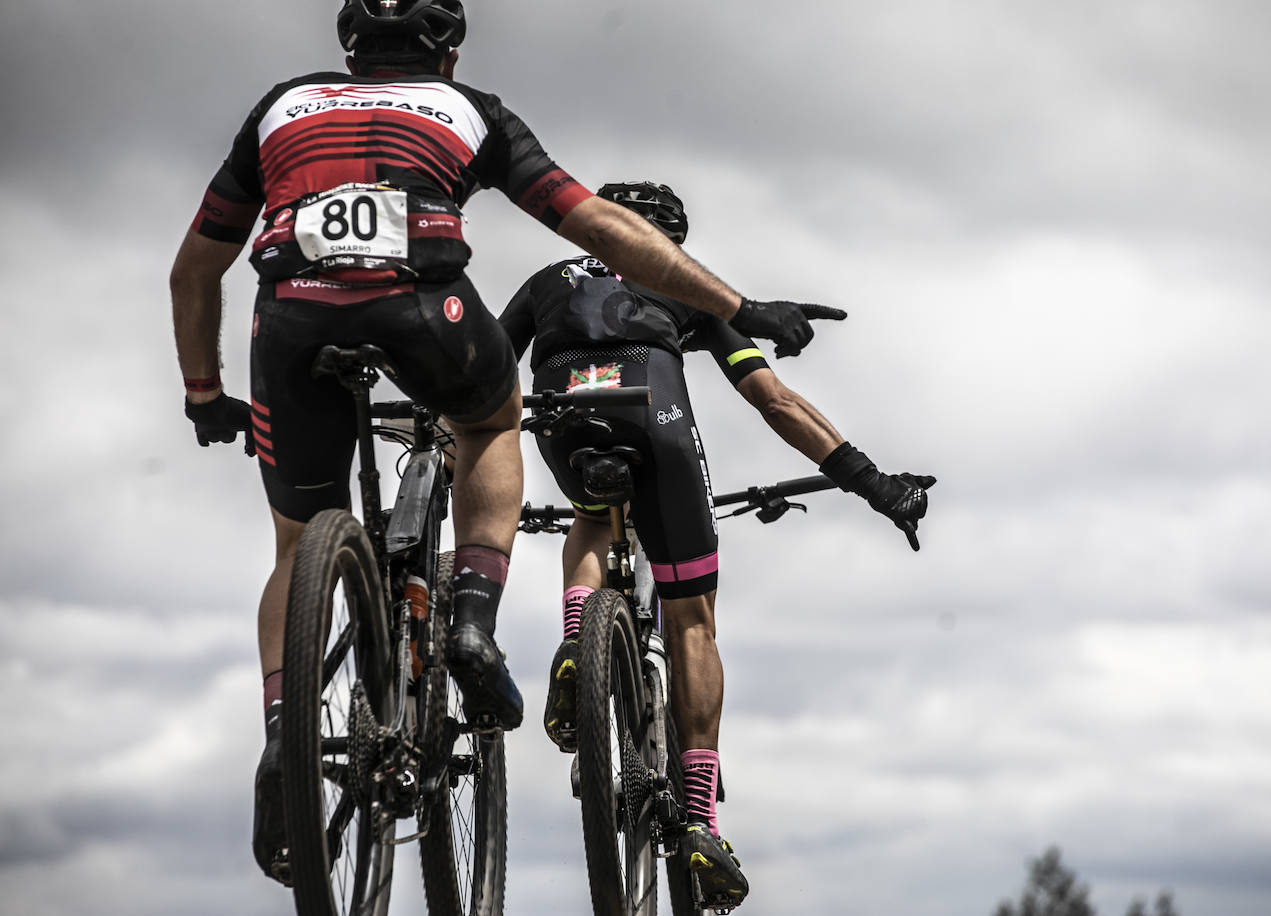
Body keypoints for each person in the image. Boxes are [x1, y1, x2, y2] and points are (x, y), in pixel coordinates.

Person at [169, 1, 838, 887]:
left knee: (296, 543)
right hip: (420, 306)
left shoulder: (280, 107)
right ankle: (473, 625)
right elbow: (602, 229)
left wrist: (203, 393)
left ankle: (284, 733)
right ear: (448, 53)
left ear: (348, 49)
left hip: (288, 320)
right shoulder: (469, 110)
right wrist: (741, 306)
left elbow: (195, 269)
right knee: (490, 417)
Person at [499, 181, 935, 907]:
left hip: (561, 408)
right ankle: (700, 819)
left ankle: (576, 639)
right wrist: (873, 483)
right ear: (669, 242)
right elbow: (776, 401)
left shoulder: (548, 279)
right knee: (692, 619)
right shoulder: (686, 287)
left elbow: (481, 372)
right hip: (655, 413)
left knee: (592, 512)